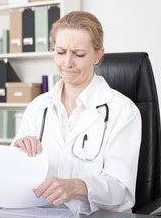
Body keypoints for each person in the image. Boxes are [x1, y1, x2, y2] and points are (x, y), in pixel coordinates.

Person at [11, 11, 141, 215]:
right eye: (60, 52)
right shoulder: (38, 107)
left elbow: (121, 191)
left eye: (79, 54)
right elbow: (16, 176)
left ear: (98, 55)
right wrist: (18, 153)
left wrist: (78, 187)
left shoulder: (123, 111)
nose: (67, 63)